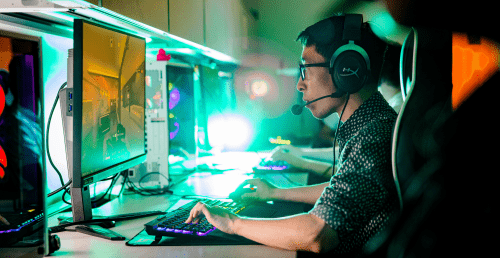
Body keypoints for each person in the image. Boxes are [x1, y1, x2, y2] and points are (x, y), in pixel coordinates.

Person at [185, 14, 399, 256]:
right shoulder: (372, 124)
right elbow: (347, 193)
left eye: (305, 69)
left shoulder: (373, 136)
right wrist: (274, 192)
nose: (299, 84)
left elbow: (317, 234)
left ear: (347, 70)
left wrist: (233, 223)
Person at [266, 43, 403, 180]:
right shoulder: (391, 106)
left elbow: (353, 178)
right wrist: (302, 152)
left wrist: (301, 163)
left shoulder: (390, 115)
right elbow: (348, 154)